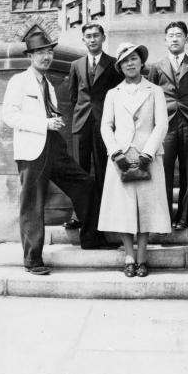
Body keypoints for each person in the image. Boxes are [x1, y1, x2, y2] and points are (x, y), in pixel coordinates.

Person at [2, 32, 117, 275]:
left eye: (49, 52)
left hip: (54, 147)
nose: (47, 57)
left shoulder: (49, 85)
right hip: (32, 151)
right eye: (41, 52)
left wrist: (54, 121)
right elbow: (9, 117)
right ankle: (33, 260)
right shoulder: (19, 82)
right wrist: (44, 123)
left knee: (85, 184)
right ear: (30, 56)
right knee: (32, 204)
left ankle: (91, 238)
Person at [98, 42, 171, 277]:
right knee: (124, 209)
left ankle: (142, 257)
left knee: (146, 209)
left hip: (147, 157)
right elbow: (106, 126)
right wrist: (116, 153)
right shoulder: (113, 94)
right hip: (121, 158)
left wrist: (147, 153)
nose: (130, 63)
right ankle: (129, 256)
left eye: (134, 59)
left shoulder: (155, 91)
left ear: (141, 62)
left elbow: (162, 124)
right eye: (125, 60)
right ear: (119, 66)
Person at [148, 21, 188, 231]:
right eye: (171, 35)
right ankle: (165, 216)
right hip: (165, 125)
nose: (174, 38)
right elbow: (152, 96)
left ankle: (185, 217)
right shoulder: (156, 67)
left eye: (179, 35)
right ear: (165, 40)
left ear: (186, 39)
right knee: (164, 171)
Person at [65, 22, 122, 230]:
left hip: (104, 125)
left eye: (96, 35)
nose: (92, 39)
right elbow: (73, 97)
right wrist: (82, 114)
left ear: (103, 38)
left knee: (102, 169)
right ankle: (78, 215)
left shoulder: (113, 64)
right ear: (83, 40)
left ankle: (104, 214)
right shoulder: (76, 65)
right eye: (88, 36)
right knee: (79, 170)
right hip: (81, 124)